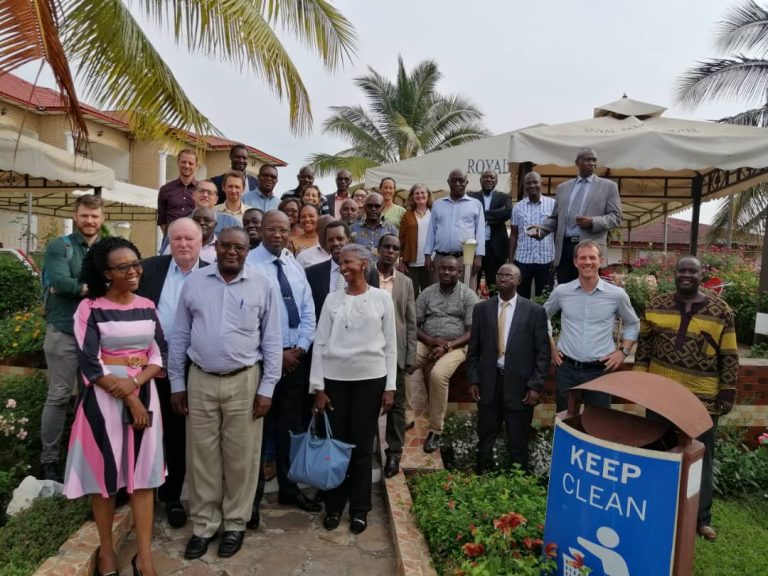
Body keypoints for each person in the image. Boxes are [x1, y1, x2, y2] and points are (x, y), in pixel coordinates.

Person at [169, 227, 282, 560]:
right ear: (215, 247)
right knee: (201, 457)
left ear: (249, 250)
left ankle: (234, 524)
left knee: (241, 459)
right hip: (200, 379)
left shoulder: (263, 285)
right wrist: (177, 383)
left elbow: (272, 341)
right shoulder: (195, 283)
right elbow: (179, 336)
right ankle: (204, 525)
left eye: (240, 247)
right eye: (227, 246)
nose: (233, 252)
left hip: (245, 381)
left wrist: (267, 388)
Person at [63, 236, 166, 576]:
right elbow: (90, 363)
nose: (134, 271)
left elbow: (158, 355)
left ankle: (144, 558)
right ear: (106, 273)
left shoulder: (149, 306)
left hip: (143, 398)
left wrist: (136, 384)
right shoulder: (89, 309)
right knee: (104, 479)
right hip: (103, 405)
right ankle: (107, 554)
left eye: (136, 263)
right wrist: (131, 395)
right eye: (124, 267)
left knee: (144, 479)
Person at [634, 255, 738, 541]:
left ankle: (701, 518)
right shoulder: (656, 305)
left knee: (700, 456)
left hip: (702, 398)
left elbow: (729, 355)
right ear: (675, 274)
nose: (687, 275)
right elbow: (643, 347)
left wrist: (727, 391)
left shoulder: (721, 310)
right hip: (660, 395)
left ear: (702, 274)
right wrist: (640, 384)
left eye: (693, 270)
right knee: (657, 451)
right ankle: (657, 509)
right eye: (682, 270)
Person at [311, 244, 397, 534]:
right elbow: (320, 344)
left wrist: (390, 387)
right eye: (340, 263)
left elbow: (391, 346)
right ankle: (334, 506)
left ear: (364, 263)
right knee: (337, 448)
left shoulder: (382, 299)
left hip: (371, 381)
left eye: (348, 262)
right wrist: (318, 388)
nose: (343, 267)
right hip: (335, 382)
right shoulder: (331, 300)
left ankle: (360, 509)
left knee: (361, 448)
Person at [246, 211, 320, 524]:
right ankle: (251, 499)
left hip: (295, 363)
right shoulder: (249, 264)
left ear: (290, 231)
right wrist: (277, 353)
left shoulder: (293, 263)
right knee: (258, 432)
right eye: (271, 229)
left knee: (290, 428)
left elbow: (308, 311)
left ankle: (289, 488)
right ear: (261, 230)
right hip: (264, 362)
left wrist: (300, 348)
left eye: (283, 229)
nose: (277, 234)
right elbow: (248, 318)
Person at [137, 217, 207, 530]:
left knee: (180, 435)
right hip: (149, 367)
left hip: (196, 368)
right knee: (147, 430)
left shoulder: (212, 274)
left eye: (189, 239)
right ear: (168, 239)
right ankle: (140, 490)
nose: (182, 244)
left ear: (201, 241)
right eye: (177, 238)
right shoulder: (149, 269)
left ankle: (174, 496)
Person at [40, 194, 104, 482]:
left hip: (95, 335)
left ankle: (83, 455)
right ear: (76, 217)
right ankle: (49, 461)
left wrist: (77, 287)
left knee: (91, 397)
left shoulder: (106, 248)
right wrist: (94, 288)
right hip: (64, 331)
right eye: (84, 216)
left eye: (94, 216)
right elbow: (60, 282)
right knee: (59, 396)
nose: (89, 221)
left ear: (102, 218)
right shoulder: (60, 247)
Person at [466, 263, 550, 472]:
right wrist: (473, 379)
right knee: (485, 436)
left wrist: (535, 386)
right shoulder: (481, 309)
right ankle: (481, 478)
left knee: (518, 439)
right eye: (500, 274)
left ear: (519, 281)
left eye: (509, 275)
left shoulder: (535, 311)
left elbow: (543, 353)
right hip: (488, 383)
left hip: (520, 387)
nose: (504, 278)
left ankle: (517, 484)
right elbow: (473, 348)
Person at [544, 240, 639, 412]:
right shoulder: (562, 292)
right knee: (565, 419)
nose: (587, 262)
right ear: (575, 262)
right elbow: (542, 317)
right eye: (582, 258)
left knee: (598, 422)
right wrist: (551, 347)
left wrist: (623, 352)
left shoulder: (616, 295)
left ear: (600, 260)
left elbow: (633, 323)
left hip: (599, 370)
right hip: (566, 368)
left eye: (592, 257)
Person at [407, 254, 479, 453]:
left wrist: (447, 346)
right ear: (437, 270)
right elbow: (414, 324)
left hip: (456, 346)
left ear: (459, 272)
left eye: (451, 269)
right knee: (404, 364)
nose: (446, 272)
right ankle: (407, 414)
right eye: (443, 269)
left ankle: (435, 430)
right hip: (427, 342)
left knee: (438, 375)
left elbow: (472, 331)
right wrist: (430, 341)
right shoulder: (427, 293)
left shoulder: (468, 295)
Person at [528, 148, 621, 284]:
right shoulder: (563, 188)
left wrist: (593, 221)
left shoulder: (609, 186)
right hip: (565, 249)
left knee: (588, 290)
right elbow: (555, 218)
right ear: (577, 162)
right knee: (565, 291)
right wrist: (539, 230)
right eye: (588, 159)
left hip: (590, 249)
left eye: (594, 160)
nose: (592, 163)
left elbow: (617, 217)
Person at [366, 234, 417, 478]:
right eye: (386, 246)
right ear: (378, 250)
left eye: (395, 248)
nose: (390, 251)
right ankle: (366, 451)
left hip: (394, 352)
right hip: (368, 351)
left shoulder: (405, 282)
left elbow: (410, 320)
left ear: (399, 253)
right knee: (368, 403)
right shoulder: (366, 276)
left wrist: (410, 356)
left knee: (396, 406)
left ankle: (394, 453)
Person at [424, 169, 485, 282]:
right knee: (438, 294)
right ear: (448, 182)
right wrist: (427, 255)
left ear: (467, 182)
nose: (457, 184)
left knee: (466, 294)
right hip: (441, 258)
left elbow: (480, 233)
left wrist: (479, 257)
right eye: (454, 181)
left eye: (461, 181)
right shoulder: (438, 204)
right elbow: (431, 231)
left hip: (465, 259)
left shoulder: (476, 204)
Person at [509, 171, 555, 298]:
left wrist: (556, 257)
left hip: (546, 259)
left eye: (535, 182)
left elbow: (557, 232)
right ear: (524, 186)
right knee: (521, 298)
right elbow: (513, 234)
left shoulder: (553, 205)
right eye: (528, 183)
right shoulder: (518, 207)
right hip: (523, 260)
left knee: (545, 298)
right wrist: (511, 259)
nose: (532, 185)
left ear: (542, 184)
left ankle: (543, 319)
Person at [469, 170, 513, 289]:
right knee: (471, 283)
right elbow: (469, 216)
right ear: (480, 180)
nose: (489, 180)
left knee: (495, 285)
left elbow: (507, 213)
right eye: (486, 177)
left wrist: (482, 215)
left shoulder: (504, 197)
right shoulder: (472, 197)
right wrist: (495, 216)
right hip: (474, 247)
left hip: (495, 248)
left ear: (496, 181)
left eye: (492, 178)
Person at [305, 220, 351, 321]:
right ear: (325, 243)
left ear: (349, 240)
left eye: (340, 238)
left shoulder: (366, 272)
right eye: (330, 240)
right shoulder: (311, 274)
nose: (335, 243)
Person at [157, 149, 198, 246]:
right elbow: (162, 220)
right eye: (183, 162)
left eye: (190, 163)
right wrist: (172, 237)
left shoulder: (202, 190)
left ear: (196, 165)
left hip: (194, 242)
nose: (187, 166)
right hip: (170, 242)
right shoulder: (165, 189)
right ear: (178, 163)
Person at [398, 184, 433, 297]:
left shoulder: (434, 212)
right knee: (411, 296)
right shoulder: (407, 215)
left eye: (423, 192)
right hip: (411, 263)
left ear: (428, 195)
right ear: (412, 197)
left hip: (430, 261)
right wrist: (400, 261)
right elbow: (401, 239)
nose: (420, 195)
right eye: (416, 193)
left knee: (429, 295)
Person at [351, 192, 397, 264]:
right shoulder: (353, 229)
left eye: (377, 206)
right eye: (370, 206)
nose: (373, 209)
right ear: (365, 207)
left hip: (382, 271)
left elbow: (395, 254)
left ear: (383, 208)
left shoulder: (391, 230)